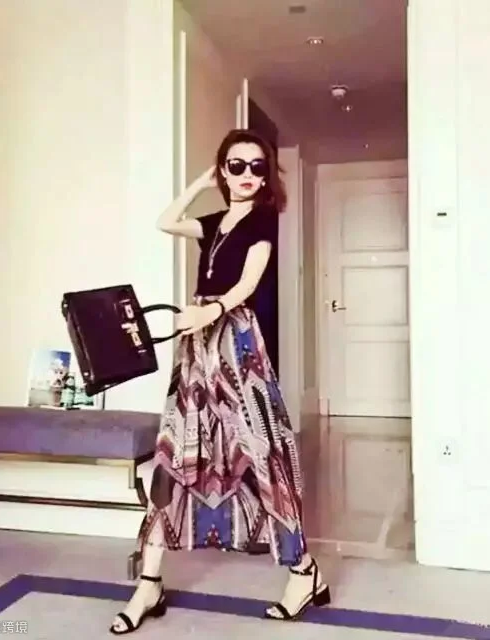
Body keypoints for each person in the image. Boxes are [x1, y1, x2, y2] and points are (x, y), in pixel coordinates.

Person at [110, 129, 330, 634]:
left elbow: (248, 284)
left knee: (260, 453)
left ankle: (304, 571)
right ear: (222, 170)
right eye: (236, 165)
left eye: (257, 166)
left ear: (266, 175)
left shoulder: (263, 219)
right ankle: (149, 583)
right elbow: (165, 220)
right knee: (176, 452)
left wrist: (210, 310)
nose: (247, 175)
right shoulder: (213, 221)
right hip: (197, 347)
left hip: (236, 344)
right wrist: (199, 183)